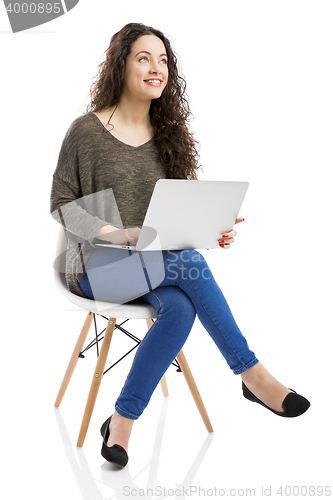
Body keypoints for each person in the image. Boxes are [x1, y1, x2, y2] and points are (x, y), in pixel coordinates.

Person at [50, 23, 310, 469]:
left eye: (164, 60)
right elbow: (59, 204)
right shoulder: (87, 131)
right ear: (121, 66)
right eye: (144, 58)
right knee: (185, 263)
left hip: (156, 265)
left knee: (183, 306)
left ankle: (121, 422)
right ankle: (252, 375)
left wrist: (213, 230)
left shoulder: (168, 135)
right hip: (97, 266)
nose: (157, 69)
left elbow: (172, 221)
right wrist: (109, 232)